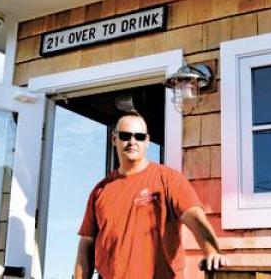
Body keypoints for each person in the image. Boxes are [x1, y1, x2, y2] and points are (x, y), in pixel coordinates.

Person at [74, 110, 227, 279]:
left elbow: (195, 218)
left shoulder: (169, 179)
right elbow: (86, 243)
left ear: (147, 141)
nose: (132, 141)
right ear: (114, 139)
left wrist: (212, 251)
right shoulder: (100, 191)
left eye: (139, 136)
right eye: (125, 135)